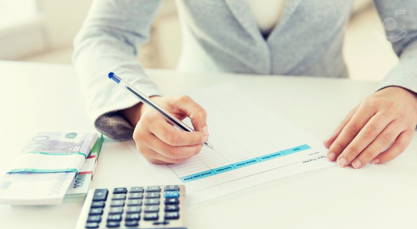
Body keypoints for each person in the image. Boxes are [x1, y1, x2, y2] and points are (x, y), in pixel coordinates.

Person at [73, 0, 417, 168]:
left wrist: (406, 89)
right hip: (200, 129)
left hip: (328, 125)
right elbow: (104, 35)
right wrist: (139, 105)